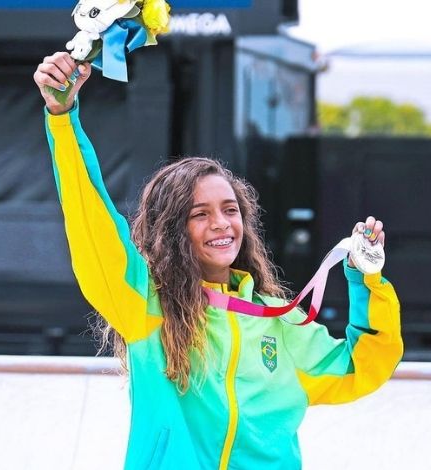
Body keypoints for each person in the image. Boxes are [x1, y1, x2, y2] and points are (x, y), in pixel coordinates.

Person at [33, 52, 403, 470]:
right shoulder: (146, 309)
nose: (221, 224)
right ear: (171, 229)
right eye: (199, 214)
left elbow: (361, 367)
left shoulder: (276, 320)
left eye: (230, 209)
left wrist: (366, 278)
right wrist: (62, 119)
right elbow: (92, 223)